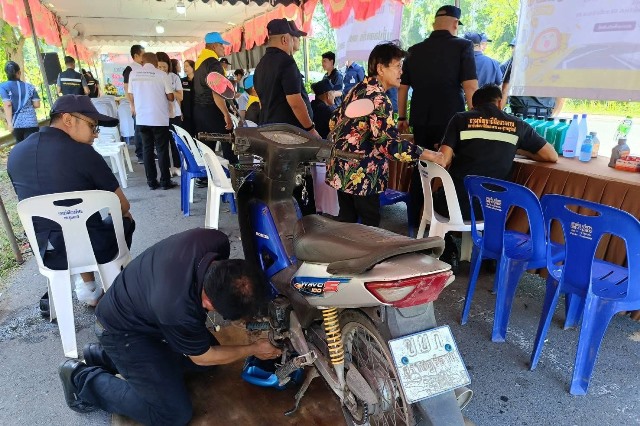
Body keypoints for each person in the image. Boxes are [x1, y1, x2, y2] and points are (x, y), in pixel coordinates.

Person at [57, 228, 281, 425]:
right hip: (121, 332)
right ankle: (80, 378)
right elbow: (202, 356)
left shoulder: (214, 241)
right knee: (173, 413)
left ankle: (102, 356)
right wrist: (253, 349)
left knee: (208, 362)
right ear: (207, 302)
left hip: (141, 305)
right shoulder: (178, 309)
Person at [7, 95, 135, 316]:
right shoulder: (84, 153)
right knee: (124, 219)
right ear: (68, 119)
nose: (96, 134)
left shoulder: (16, 154)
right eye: (92, 126)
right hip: (92, 250)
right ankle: (111, 284)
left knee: (67, 227)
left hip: (47, 252)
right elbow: (122, 205)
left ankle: (85, 288)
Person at [420, 85, 558, 264]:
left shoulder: (461, 119)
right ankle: (490, 251)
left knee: (438, 197)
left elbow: (443, 160)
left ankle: (447, 248)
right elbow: (551, 156)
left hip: (455, 206)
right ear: (500, 103)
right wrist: (517, 149)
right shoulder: (518, 124)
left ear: (473, 105)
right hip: (494, 209)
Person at [326, 42, 433, 227]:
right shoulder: (379, 99)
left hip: (340, 168)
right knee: (369, 229)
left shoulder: (356, 90)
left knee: (346, 224)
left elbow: (333, 122)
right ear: (381, 68)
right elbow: (388, 145)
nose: (401, 71)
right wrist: (429, 155)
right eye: (398, 66)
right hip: (363, 174)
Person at [398, 4, 478, 228]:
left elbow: (402, 88)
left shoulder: (414, 50)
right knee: (446, 169)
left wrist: (402, 117)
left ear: (434, 23)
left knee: (421, 168)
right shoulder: (463, 46)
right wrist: (475, 115)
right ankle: (442, 225)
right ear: (455, 24)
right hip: (451, 121)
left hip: (420, 119)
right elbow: (470, 86)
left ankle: (415, 221)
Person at [254, 19, 319, 138]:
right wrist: (310, 129)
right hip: (287, 134)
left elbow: (261, 102)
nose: (296, 41)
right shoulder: (286, 62)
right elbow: (295, 102)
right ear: (285, 39)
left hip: (268, 128)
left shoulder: (260, 65)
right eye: (293, 38)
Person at [128, 52, 176, 190]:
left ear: (142, 62)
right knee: (162, 150)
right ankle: (165, 181)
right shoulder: (162, 74)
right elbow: (171, 97)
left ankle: (151, 182)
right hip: (159, 118)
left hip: (142, 118)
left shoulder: (133, 74)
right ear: (155, 62)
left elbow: (130, 94)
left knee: (147, 149)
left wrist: (135, 105)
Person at [193, 32, 236, 163]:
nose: (224, 48)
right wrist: (226, 114)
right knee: (229, 143)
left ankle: (208, 173)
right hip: (213, 109)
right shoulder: (214, 63)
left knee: (207, 148)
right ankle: (235, 172)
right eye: (221, 45)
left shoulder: (199, 62)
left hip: (199, 110)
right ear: (214, 46)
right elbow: (217, 92)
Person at [0, 61, 40, 142]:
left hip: (16, 124)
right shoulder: (30, 87)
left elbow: (8, 105)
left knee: (21, 146)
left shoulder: (3, 87)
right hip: (31, 122)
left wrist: (9, 123)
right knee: (34, 146)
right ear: (19, 72)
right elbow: (37, 104)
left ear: (7, 74)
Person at [157, 52, 183, 176]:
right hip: (159, 114)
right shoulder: (153, 78)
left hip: (174, 114)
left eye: (164, 66)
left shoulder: (174, 77)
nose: (162, 69)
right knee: (162, 144)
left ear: (169, 66)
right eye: (159, 67)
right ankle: (166, 169)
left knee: (175, 142)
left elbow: (180, 97)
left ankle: (177, 166)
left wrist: (169, 88)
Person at [123, 44, 145, 163]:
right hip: (137, 105)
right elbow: (126, 89)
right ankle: (140, 154)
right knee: (139, 129)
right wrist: (132, 105)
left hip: (145, 103)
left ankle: (147, 152)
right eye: (143, 55)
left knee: (146, 128)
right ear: (136, 55)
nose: (144, 57)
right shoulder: (130, 69)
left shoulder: (143, 67)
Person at [180, 59, 196, 136]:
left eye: (187, 66)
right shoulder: (182, 81)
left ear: (193, 67)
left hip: (197, 112)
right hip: (186, 112)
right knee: (188, 134)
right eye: (184, 66)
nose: (185, 68)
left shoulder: (199, 80)